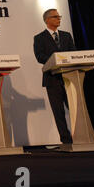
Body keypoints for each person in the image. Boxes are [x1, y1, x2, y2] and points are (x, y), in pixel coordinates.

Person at [33, 8, 75, 144]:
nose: (59, 19)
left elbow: (73, 54)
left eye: (59, 16)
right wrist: (55, 60)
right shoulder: (39, 38)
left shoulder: (66, 35)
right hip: (52, 79)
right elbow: (39, 56)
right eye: (56, 17)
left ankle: (80, 137)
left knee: (75, 109)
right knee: (59, 113)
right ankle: (66, 140)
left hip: (70, 78)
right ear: (47, 20)